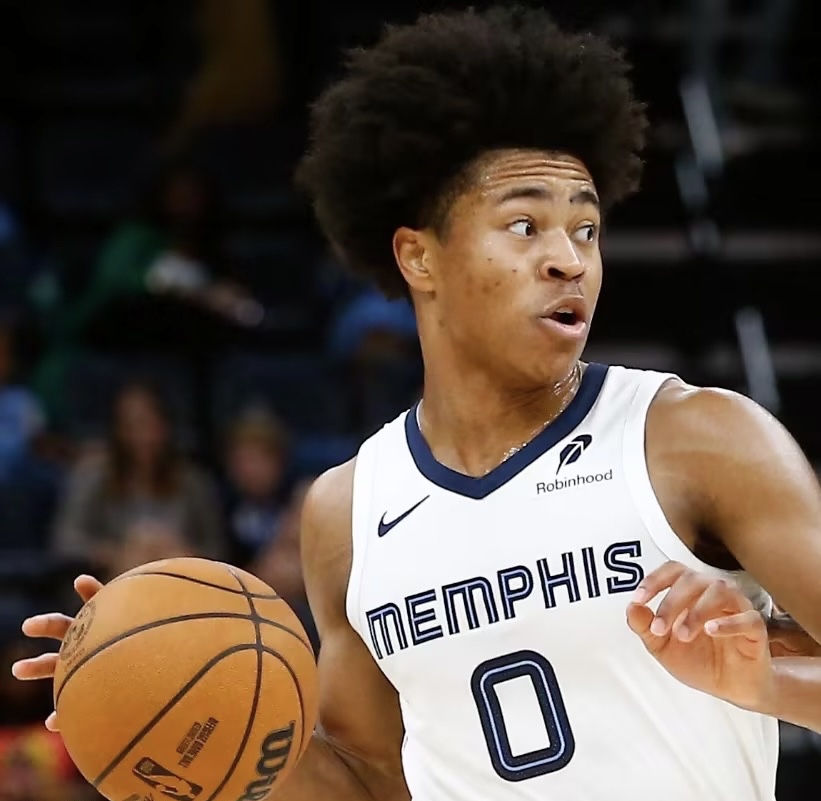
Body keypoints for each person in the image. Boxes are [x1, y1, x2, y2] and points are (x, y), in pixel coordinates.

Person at [12, 6, 821, 801]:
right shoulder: (347, 511)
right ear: (417, 257)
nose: (567, 260)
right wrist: (148, 684)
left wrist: (763, 684)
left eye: (585, 229)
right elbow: (370, 780)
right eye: (524, 225)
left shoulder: (697, 439)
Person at [51, 380, 224, 578]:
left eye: (149, 424)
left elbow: (217, 549)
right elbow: (66, 541)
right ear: (117, 429)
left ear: (165, 426)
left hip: (180, 576)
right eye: (131, 425)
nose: (141, 435)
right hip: (111, 577)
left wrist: (183, 554)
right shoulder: (94, 475)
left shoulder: (193, 481)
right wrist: (113, 553)